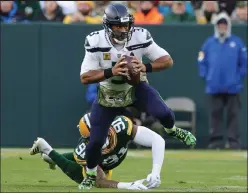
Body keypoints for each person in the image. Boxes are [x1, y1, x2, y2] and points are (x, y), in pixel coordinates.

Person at [80, 3, 196, 189]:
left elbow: (167, 61)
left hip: (135, 88)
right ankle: (92, 174)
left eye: (125, 25)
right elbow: (85, 78)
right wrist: (111, 71)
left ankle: (173, 130)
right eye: (117, 26)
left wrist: (145, 67)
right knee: (95, 142)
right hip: (108, 94)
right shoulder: (95, 41)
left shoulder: (140, 36)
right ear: (107, 25)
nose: (122, 29)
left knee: (164, 113)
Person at [30, 113, 166, 190]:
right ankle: (47, 148)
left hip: (106, 163)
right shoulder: (86, 150)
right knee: (82, 178)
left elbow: (157, 140)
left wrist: (156, 172)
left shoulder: (122, 126)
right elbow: (99, 181)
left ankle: (52, 158)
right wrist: (127, 186)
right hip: (101, 164)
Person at [197, 12, 247, 149]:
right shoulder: (208, 43)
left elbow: (244, 62)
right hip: (214, 87)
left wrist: (238, 77)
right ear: (216, 26)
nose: (222, 27)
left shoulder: (237, 43)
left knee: (233, 116)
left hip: (233, 87)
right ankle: (216, 141)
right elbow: (201, 61)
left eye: (225, 24)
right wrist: (207, 76)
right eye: (220, 25)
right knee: (215, 115)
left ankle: (233, 141)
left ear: (228, 26)